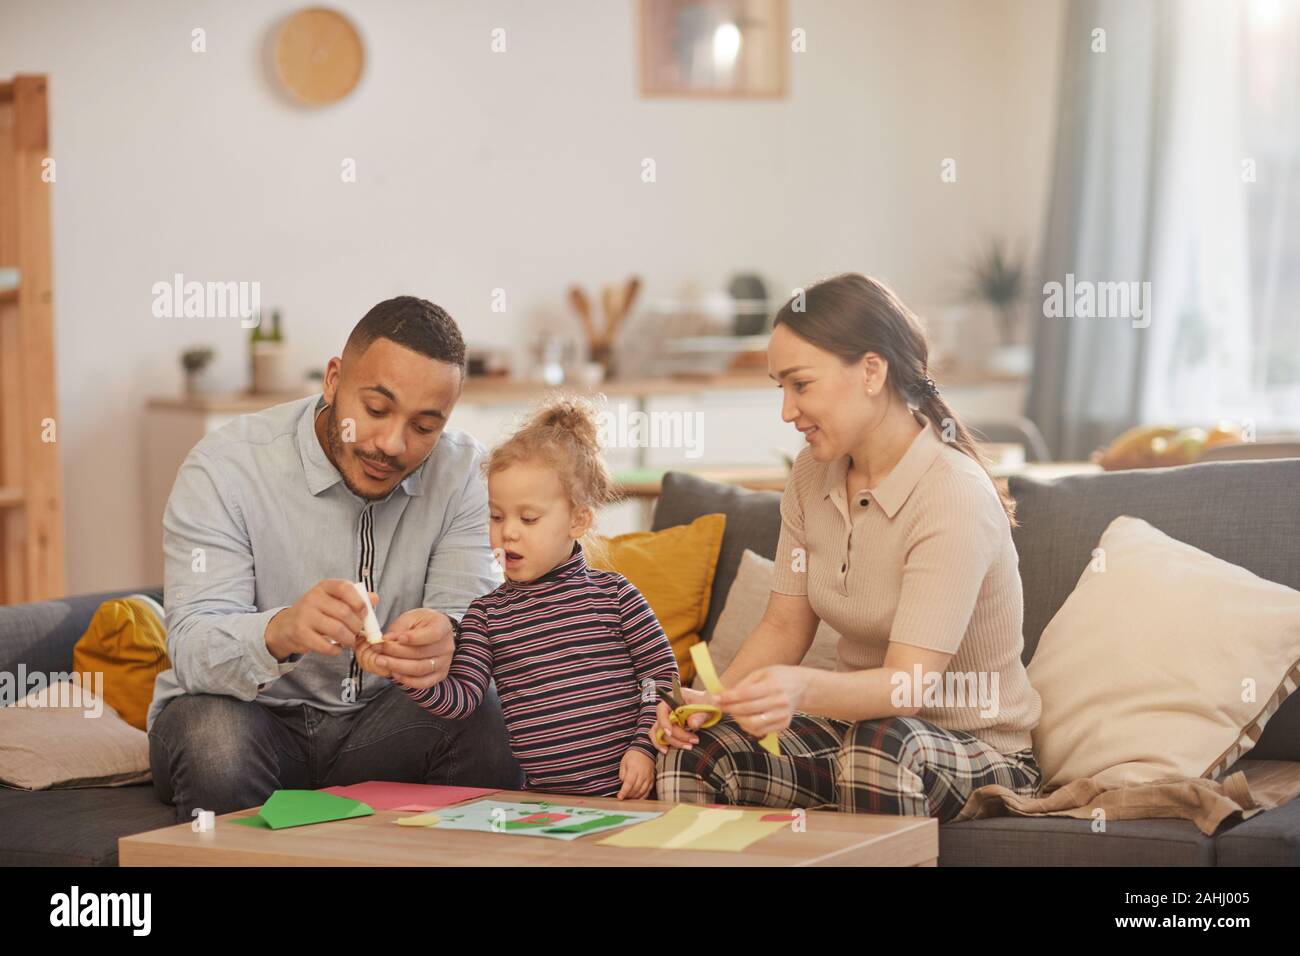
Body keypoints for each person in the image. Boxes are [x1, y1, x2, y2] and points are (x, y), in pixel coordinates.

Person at [653, 273, 1044, 821]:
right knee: (697, 753)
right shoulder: (813, 477)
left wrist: (799, 688)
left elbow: (905, 688)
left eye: (801, 384)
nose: (787, 411)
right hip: (859, 734)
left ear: (871, 371)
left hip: (978, 748)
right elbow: (785, 625)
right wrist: (713, 705)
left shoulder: (951, 494)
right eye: (779, 388)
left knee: (879, 749)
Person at [148, 296, 522, 821]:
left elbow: (472, 621)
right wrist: (282, 629)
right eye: (375, 409)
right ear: (333, 380)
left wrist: (450, 640)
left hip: (384, 728)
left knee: (483, 713)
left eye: (423, 426)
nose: (391, 444)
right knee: (213, 739)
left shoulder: (465, 475)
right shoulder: (225, 468)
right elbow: (192, 647)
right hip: (251, 720)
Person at [359, 396, 678, 799]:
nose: (507, 532)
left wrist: (644, 748)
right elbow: (460, 701)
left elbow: (660, 677)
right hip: (546, 805)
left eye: (528, 519)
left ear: (579, 520)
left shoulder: (616, 596)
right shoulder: (487, 615)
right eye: (496, 516)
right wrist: (407, 674)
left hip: (634, 797)